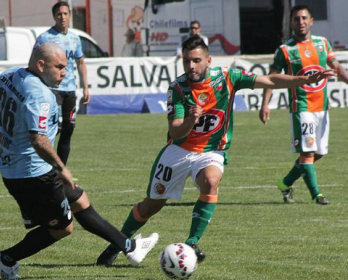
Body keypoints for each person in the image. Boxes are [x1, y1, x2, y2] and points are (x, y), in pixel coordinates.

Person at [96, 36, 334, 267]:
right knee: (151, 205)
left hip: (212, 151)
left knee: (210, 181)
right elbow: (176, 131)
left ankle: (192, 242)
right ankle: (116, 245)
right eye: (187, 61)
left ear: (208, 60)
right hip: (178, 151)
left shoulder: (227, 78)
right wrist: (190, 119)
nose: (191, 66)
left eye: (196, 60)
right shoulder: (178, 88)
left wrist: (302, 80)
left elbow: (270, 80)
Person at [0, 43, 158, 280]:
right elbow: (39, 140)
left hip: (20, 167)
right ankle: (6, 259)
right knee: (63, 228)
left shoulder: (8, 74)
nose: (65, 72)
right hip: (33, 175)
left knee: (80, 200)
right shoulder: (39, 93)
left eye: (67, 66)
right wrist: (60, 167)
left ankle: (130, 248)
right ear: (41, 65)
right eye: (60, 67)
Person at [259, 5, 348, 205]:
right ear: (291, 23)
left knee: (319, 153)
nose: (301, 22)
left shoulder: (322, 43)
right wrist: (265, 104)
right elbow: (272, 78)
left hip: (322, 108)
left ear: (311, 21)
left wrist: (345, 76)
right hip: (302, 108)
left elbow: (337, 67)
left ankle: (285, 183)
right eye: (296, 19)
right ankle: (316, 195)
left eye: (304, 18)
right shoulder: (285, 49)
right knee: (307, 153)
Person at [35, 1, 90, 166]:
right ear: (54, 16)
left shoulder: (75, 38)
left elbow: (80, 62)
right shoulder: (45, 38)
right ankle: (44, 168)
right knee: (53, 129)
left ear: (70, 16)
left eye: (65, 14)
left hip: (70, 92)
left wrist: (86, 86)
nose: (62, 17)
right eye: (59, 14)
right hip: (52, 90)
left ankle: (60, 171)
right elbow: (35, 62)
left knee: (68, 129)